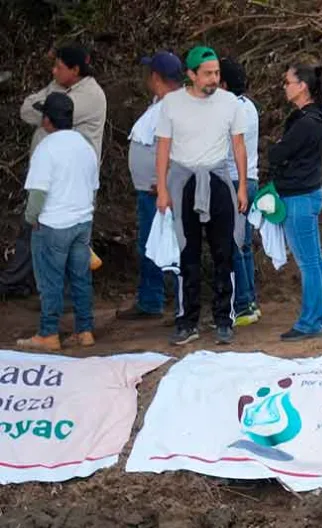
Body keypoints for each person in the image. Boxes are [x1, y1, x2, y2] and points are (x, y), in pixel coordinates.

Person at [155, 46, 250, 346]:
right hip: (183, 182)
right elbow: (163, 148)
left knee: (225, 251)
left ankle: (224, 319)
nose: (213, 79)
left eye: (216, 73)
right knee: (188, 253)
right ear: (191, 74)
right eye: (207, 74)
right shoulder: (171, 103)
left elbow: (238, 146)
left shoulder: (230, 103)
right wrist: (161, 188)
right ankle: (188, 321)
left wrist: (243, 186)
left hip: (218, 180)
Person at [5, 46, 107, 300]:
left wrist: (46, 105)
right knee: (34, 230)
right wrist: (48, 101)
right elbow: (26, 110)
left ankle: (68, 299)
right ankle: (18, 283)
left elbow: (50, 114)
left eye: (59, 67)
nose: (54, 71)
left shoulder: (91, 95)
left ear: (75, 70)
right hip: (48, 176)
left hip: (71, 182)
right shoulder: (57, 86)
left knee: (68, 240)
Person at [18, 93, 100, 351]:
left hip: (52, 224)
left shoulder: (46, 148)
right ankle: (85, 331)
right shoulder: (85, 145)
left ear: (47, 120)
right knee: (80, 279)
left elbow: (38, 193)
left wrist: (31, 218)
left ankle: (48, 333)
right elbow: (94, 187)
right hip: (82, 221)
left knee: (50, 281)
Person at [116, 51, 184, 322]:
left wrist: (168, 183)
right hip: (151, 191)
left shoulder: (176, 107)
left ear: (156, 76)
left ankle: (180, 304)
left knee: (173, 247)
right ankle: (151, 300)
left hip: (163, 193)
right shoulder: (161, 103)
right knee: (151, 245)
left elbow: (180, 148)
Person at [273, 64, 322, 341]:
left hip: (299, 196)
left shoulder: (305, 122)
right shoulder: (315, 118)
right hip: (309, 192)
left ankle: (310, 321)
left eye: (288, 81)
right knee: (315, 259)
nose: (284, 86)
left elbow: (278, 154)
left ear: (302, 86)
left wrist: (276, 149)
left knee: (308, 262)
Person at [221, 57, 263, 327]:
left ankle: (242, 304)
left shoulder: (229, 110)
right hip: (249, 179)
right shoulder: (248, 106)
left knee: (235, 246)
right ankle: (249, 302)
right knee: (243, 244)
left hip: (236, 182)